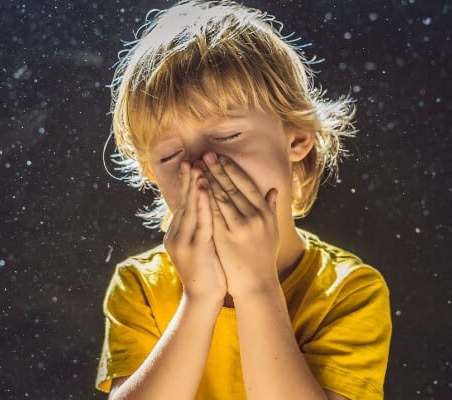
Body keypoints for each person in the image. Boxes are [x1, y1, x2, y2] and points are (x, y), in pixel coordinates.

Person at [95, 1, 391, 399]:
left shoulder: (350, 291)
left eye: (229, 136)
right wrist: (199, 298)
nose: (201, 166)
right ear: (152, 175)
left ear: (297, 138)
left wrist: (256, 284)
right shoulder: (139, 286)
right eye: (169, 157)